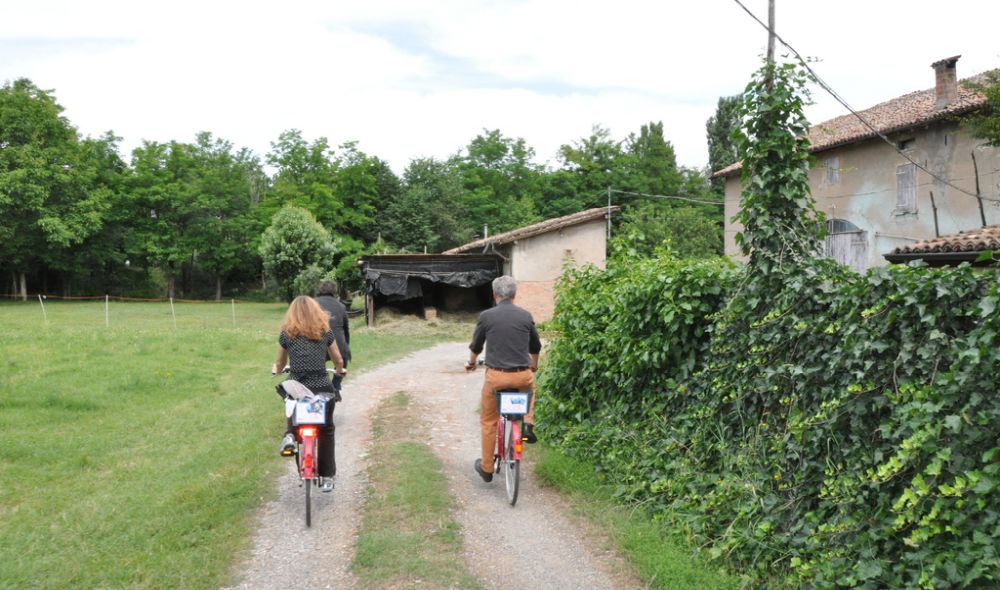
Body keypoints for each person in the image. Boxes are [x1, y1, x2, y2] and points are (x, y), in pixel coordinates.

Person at [465, 275, 541, 483]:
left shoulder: (487, 316)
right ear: (515, 295)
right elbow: (535, 346)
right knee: (530, 389)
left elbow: (476, 346)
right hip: (521, 375)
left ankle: (487, 468)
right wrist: (534, 364)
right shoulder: (525, 316)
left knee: (489, 420)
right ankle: (527, 423)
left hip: (496, 377)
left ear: (494, 294)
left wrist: (471, 362)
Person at [271, 295, 346, 492]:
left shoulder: (286, 334)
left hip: (298, 388)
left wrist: (276, 369)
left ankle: (290, 436)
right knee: (326, 430)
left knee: (292, 405)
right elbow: (338, 359)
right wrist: (340, 370)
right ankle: (328, 476)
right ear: (317, 312)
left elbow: (279, 363)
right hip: (321, 388)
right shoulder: (325, 332)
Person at [313, 280, 351, 393]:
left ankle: (323, 386)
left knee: (317, 365)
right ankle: (336, 386)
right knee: (343, 361)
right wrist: (346, 347)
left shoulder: (313, 304)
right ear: (334, 291)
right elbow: (346, 330)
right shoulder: (341, 306)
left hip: (318, 344)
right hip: (338, 344)